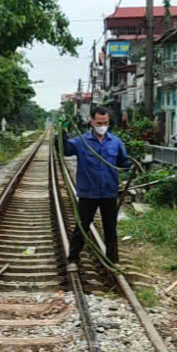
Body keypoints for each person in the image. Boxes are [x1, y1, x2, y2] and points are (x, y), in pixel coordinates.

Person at [64, 106, 131, 270]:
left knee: (110, 228)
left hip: (109, 191)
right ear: (91, 121)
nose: (103, 125)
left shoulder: (115, 141)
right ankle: (73, 259)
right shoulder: (80, 141)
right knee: (82, 227)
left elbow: (123, 161)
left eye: (106, 122)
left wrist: (132, 164)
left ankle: (113, 261)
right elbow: (66, 151)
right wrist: (61, 137)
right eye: (99, 122)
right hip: (88, 193)